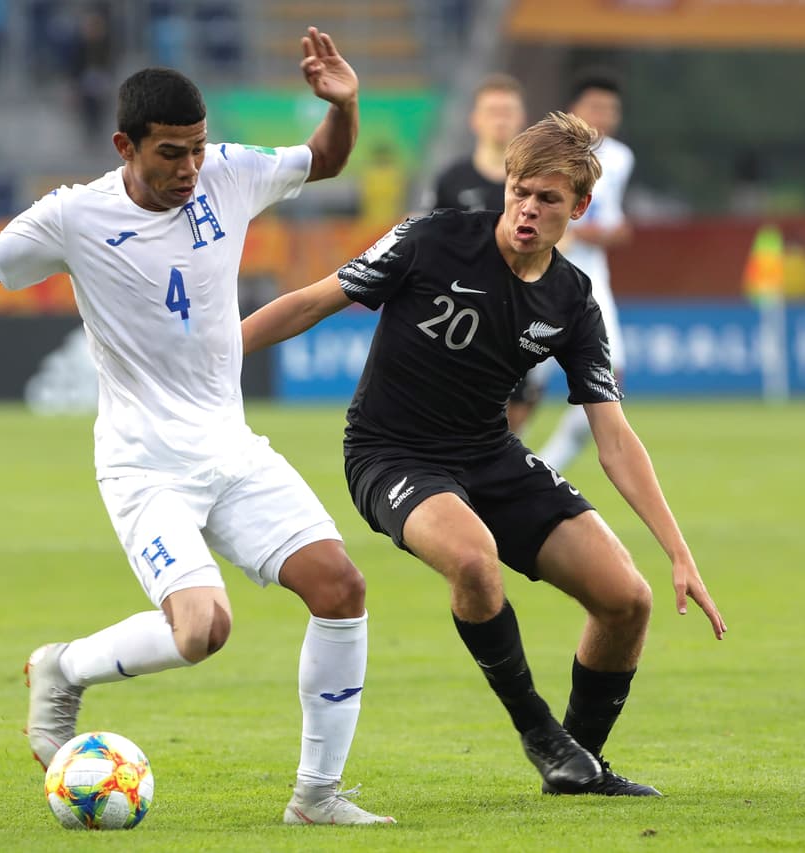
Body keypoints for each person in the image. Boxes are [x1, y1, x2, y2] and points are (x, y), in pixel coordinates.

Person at [0, 28, 394, 826]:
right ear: (125, 145)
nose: (190, 169)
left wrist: (345, 105)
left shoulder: (228, 173)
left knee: (342, 587)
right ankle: (64, 667)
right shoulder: (73, 216)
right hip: (145, 467)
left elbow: (324, 159)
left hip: (233, 451)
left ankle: (317, 797)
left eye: (195, 150)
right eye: (170, 154)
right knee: (203, 630)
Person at [242, 112, 726, 798]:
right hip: (392, 453)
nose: (529, 209)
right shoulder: (433, 236)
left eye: (549, 199)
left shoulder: (572, 299)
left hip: (489, 455)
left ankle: (577, 766)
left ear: (580, 208)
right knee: (473, 559)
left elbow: (612, 434)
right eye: (520, 191)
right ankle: (539, 733)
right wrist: (217, 352)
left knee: (627, 600)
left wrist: (678, 551)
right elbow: (313, 301)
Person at [507, 71, 633, 466]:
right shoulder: (544, 154)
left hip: (592, 284)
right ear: (574, 110)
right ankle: (500, 465)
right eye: (596, 107)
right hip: (539, 279)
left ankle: (545, 468)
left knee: (610, 381)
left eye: (611, 109)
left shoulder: (620, 158)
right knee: (522, 389)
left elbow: (613, 226)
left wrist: (590, 234)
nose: (604, 116)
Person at [423, 73, 526, 213]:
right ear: (475, 119)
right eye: (492, 111)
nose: (500, 120)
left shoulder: (536, 181)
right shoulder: (451, 180)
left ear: (521, 118)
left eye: (507, 112)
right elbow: (430, 230)